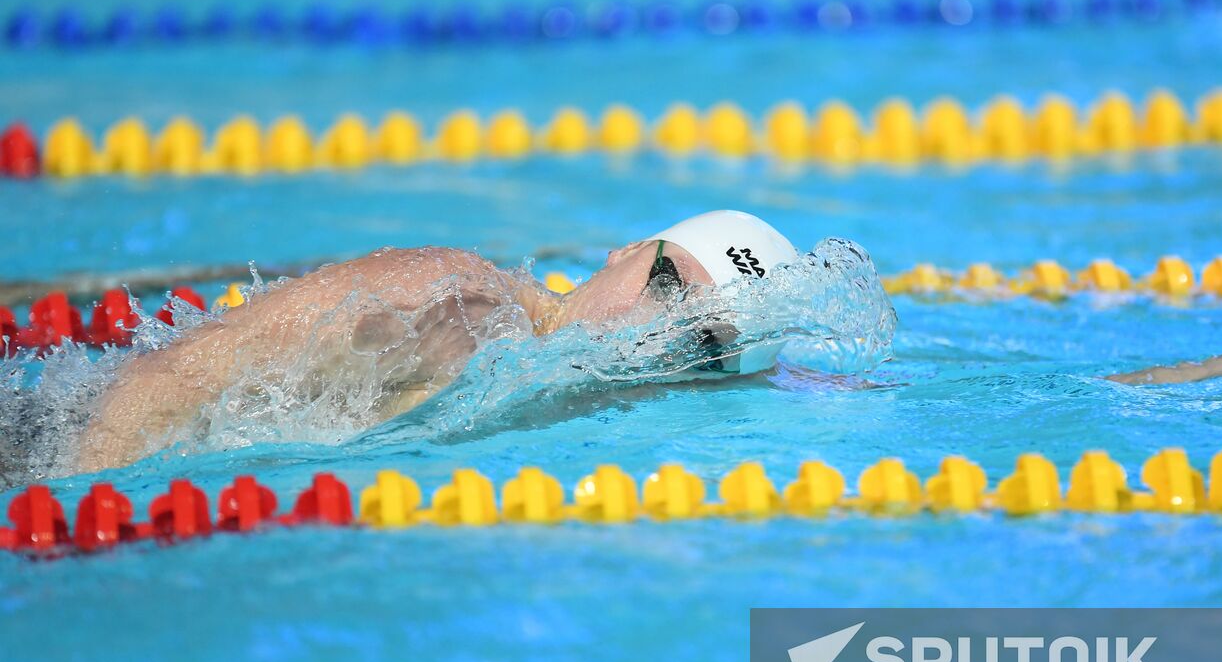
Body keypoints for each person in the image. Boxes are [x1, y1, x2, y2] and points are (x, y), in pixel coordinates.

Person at [70, 210, 798, 474]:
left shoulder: (551, 403)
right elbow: (172, 380)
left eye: (697, 339)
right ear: (628, 250)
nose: (653, 331)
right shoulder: (458, 301)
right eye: (665, 287)